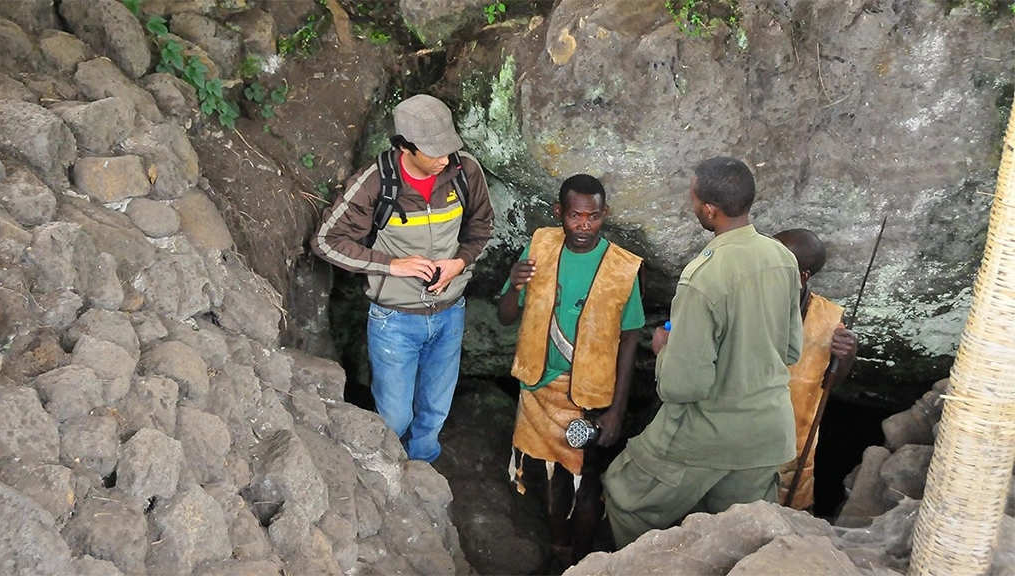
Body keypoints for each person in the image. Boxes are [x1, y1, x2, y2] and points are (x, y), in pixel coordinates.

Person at [601, 156, 803, 548]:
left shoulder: (702, 277)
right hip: (767, 435)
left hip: (706, 432)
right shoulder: (782, 258)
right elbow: (792, 348)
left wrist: (664, 349)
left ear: (709, 209)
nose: (693, 205)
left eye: (693, 199)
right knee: (740, 539)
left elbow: (682, 385)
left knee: (625, 495)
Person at [310, 94, 495, 462]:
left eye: (449, 149)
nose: (446, 159)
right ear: (405, 147)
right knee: (394, 417)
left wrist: (459, 262)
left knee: (435, 410)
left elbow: (482, 227)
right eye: (435, 153)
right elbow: (325, 242)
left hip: (450, 313)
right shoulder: (376, 182)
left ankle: (422, 475)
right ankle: (389, 475)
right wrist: (392, 265)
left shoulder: (465, 171)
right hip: (394, 320)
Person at [497, 174, 644, 570]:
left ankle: (581, 557)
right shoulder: (541, 246)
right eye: (575, 216)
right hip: (538, 386)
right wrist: (512, 286)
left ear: (604, 215)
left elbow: (631, 339)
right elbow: (506, 317)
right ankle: (560, 549)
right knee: (548, 475)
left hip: (591, 396)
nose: (583, 226)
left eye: (593, 217)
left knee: (586, 477)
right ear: (558, 213)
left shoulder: (621, 267)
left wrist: (617, 409)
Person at [773, 228, 859, 510]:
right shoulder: (748, 298)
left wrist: (846, 356)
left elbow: (832, 384)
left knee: (789, 505)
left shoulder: (829, 319)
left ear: (802, 277)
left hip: (793, 439)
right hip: (740, 428)